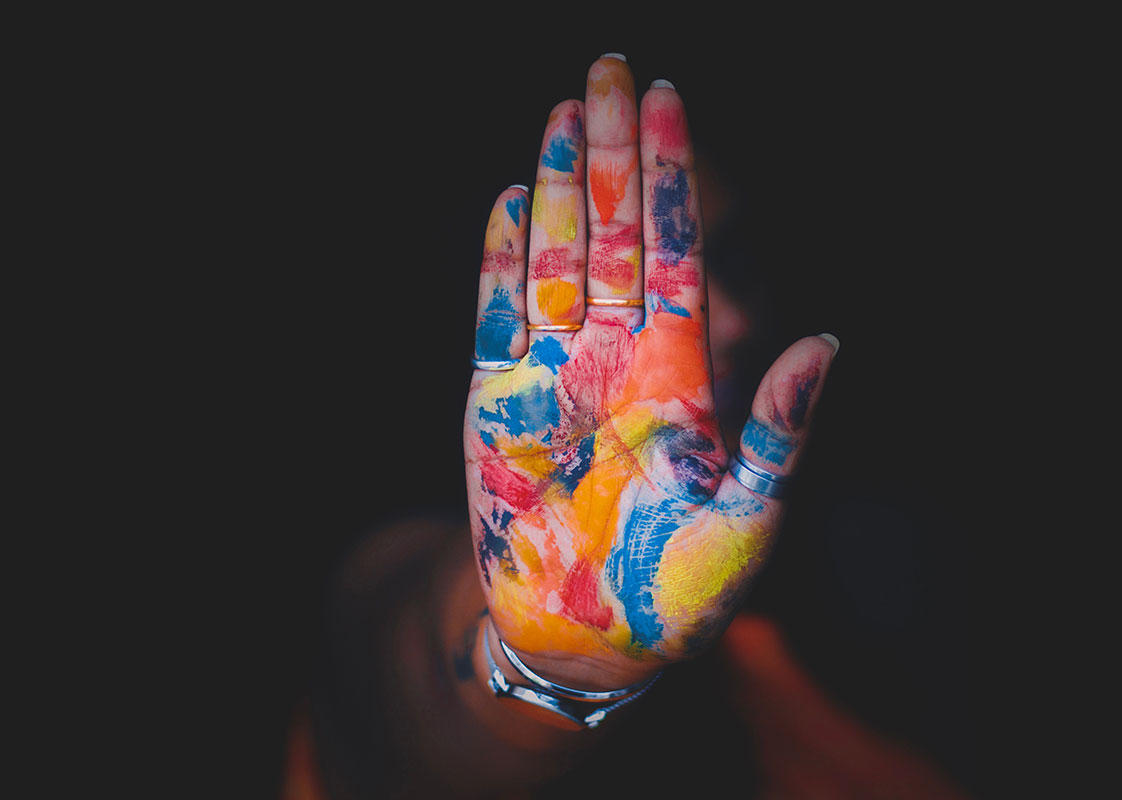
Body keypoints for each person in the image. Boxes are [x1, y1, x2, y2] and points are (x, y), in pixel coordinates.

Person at [281, 54, 969, 799]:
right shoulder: (405, 557)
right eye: (649, 289)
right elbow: (403, 681)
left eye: (731, 261)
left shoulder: (886, 563)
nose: (730, 320)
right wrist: (545, 671)